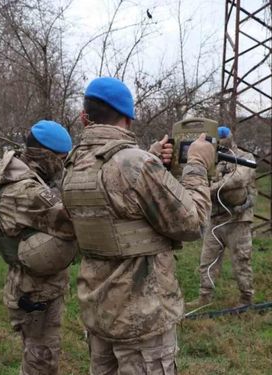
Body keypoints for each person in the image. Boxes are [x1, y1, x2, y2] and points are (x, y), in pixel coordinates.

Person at [62, 77, 215, 374]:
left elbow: (115, 202)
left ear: (84, 118)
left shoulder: (73, 164)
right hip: (142, 319)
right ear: (129, 119)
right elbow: (192, 222)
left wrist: (150, 157)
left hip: (98, 312)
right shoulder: (135, 164)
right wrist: (196, 164)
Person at [0, 120, 76, 375]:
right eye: (61, 159)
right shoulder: (28, 192)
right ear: (45, 157)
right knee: (42, 359)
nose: (63, 165)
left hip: (25, 284)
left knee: (35, 353)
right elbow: (73, 224)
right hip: (36, 291)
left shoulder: (13, 175)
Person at [188, 126, 257, 308]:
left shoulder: (244, 157)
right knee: (207, 261)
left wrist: (210, 188)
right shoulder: (210, 160)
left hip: (238, 219)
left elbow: (239, 179)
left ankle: (246, 299)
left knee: (241, 261)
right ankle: (204, 297)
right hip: (215, 220)